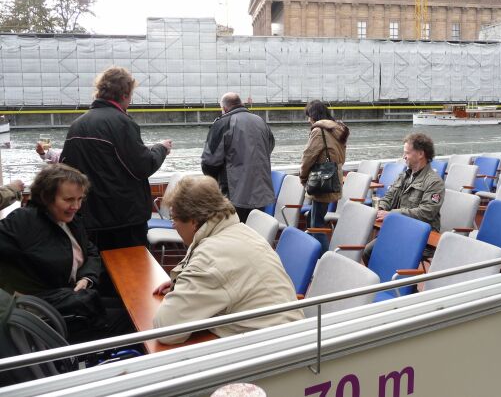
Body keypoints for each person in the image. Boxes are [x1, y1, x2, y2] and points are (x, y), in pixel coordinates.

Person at [153, 175, 303, 344]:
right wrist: (184, 281)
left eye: (174, 218)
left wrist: (186, 287)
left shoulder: (210, 257)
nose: (173, 225)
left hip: (272, 349)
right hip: (291, 336)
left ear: (193, 222)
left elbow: (165, 330)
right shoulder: (239, 231)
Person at [0, 164, 130, 342]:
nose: (76, 206)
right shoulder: (24, 222)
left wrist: (87, 277)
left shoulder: (70, 221)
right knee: (128, 318)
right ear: (46, 197)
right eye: (68, 200)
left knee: (128, 304)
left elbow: (90, 250)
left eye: (80, 199)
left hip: (72, 299)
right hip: (47, 314)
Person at [60, 66, 172, 250]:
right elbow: (143, 166)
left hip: (88, 218)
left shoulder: (77, 125)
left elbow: (66, 169)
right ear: (125, 94)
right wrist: (161, 148)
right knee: (131, 266)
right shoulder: (122, 123)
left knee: (96, 264)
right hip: (123, 220)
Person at [362, 133, 445, 265]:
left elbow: (426, 212)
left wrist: (392, 214)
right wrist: (380, 208)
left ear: (420, 154)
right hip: (400, 228)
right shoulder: (404, 175)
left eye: (407, 153)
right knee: (369, 251)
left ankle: (396, 278)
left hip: (420, 236)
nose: (403, 156)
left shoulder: (434, 182)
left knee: (373, 252)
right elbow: (389, 196)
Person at [201, 92, 275, 223]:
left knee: (234, 230)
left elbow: (209, 162)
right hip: (261, 192)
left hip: (234, 193)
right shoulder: (260, 121)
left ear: (224, 108)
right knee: (256, 229)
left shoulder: (222, 124)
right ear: (241, 103)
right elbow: (270, 146)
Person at [299, 100, 349, 255]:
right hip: (334, 179)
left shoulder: (319, 131)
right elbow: (341, 157)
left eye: (308, 116)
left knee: (317, 224)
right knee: (313, 219)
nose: (308, 120)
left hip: (322, 181)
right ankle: (313, 254)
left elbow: (308, 156)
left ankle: (326, 258)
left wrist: (303, 177)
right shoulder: (338, 129)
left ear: (313, 115)